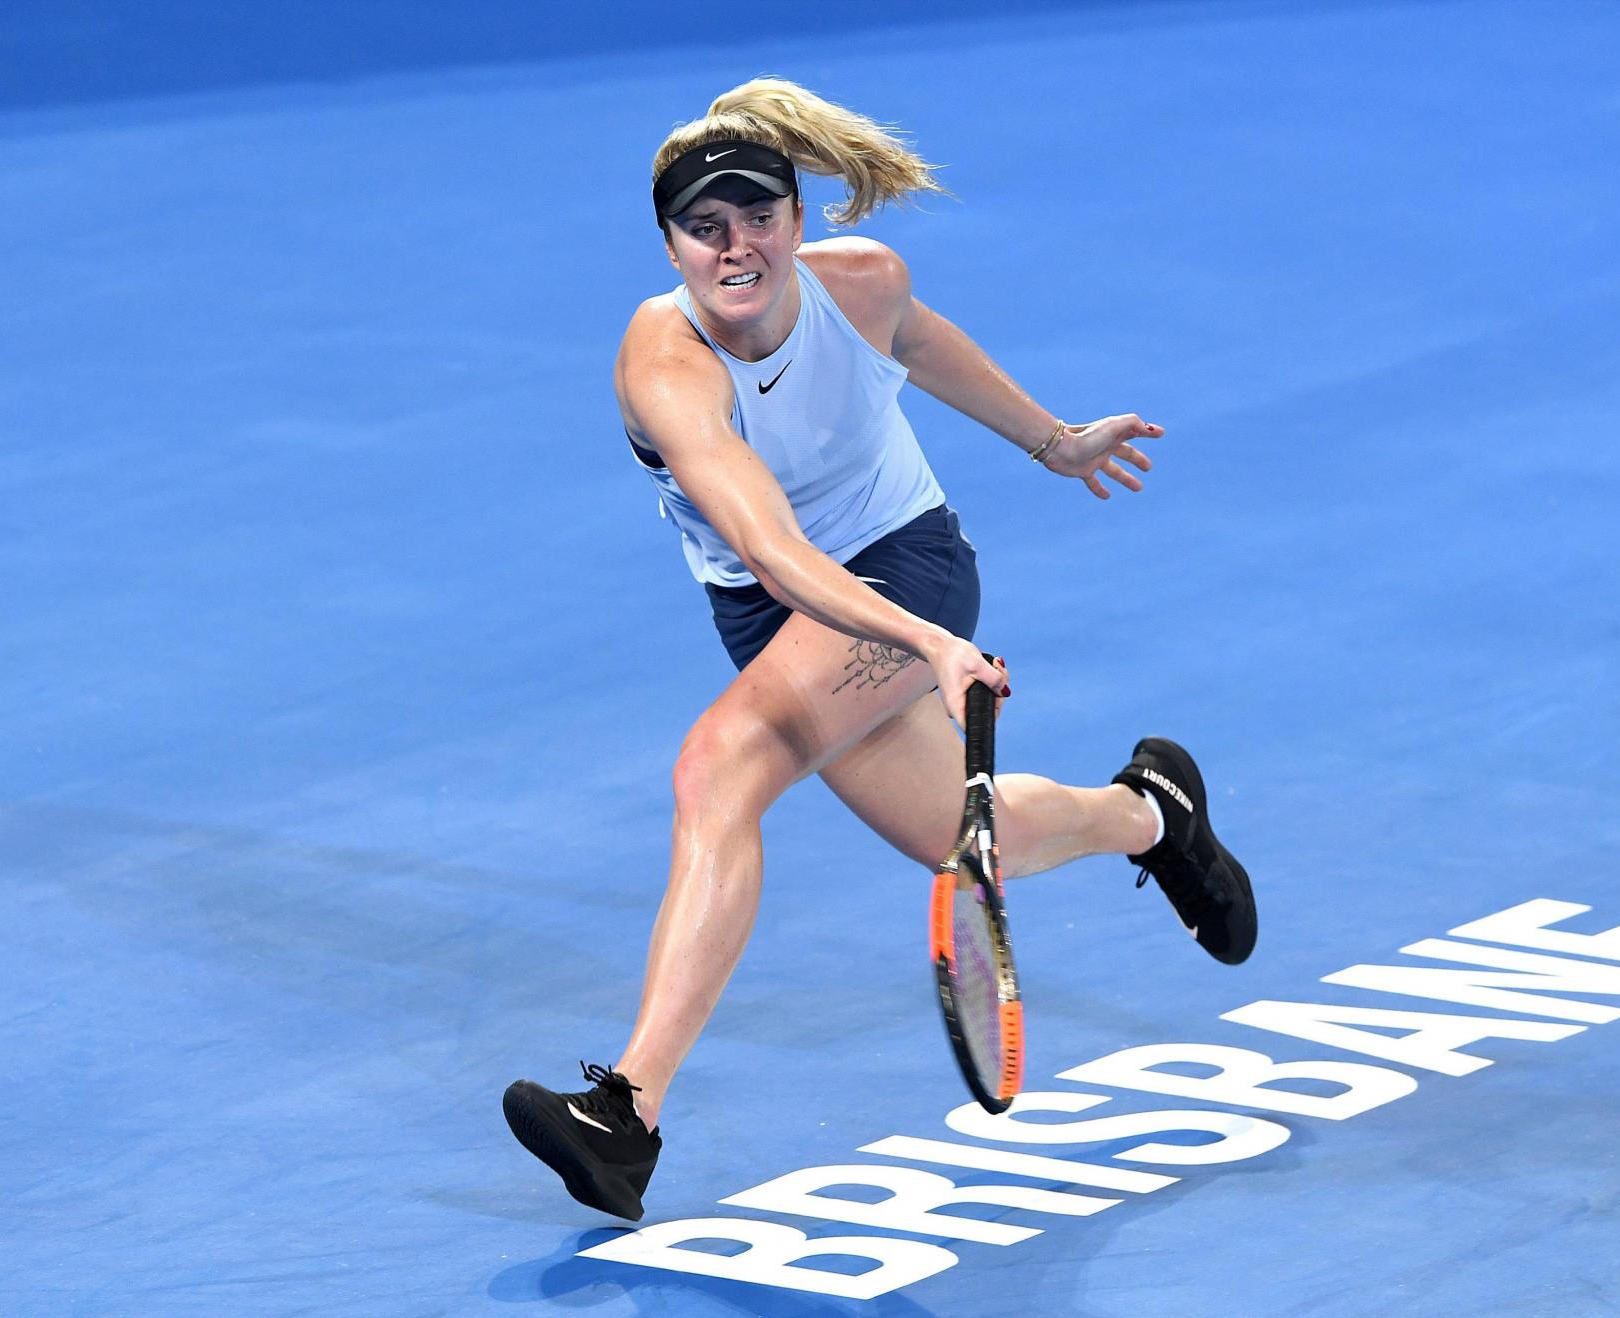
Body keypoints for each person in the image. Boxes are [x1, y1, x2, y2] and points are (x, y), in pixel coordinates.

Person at [502, 77, 1256, 1222]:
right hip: (784, 602)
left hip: (908, 564)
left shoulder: (857, 284)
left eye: (758, 216)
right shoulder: (665, 367)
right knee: (954, 836)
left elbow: (918, 341)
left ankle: (627, 1114)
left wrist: (1051, 443)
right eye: (705, 228)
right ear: (669, 247)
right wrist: (923, 649)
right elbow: (763, 543)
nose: (736, 245)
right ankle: (1153, 812)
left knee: (717, 770)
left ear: (800, 223)